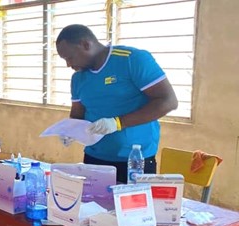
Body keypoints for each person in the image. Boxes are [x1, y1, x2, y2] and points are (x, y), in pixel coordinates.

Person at [56, 24, 178, 183]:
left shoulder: (131, 60)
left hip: (135, 161)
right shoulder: (78, 78)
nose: (68, 64)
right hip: (95, 158)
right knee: (94, 207)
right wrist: (70, 129)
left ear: (86, 45)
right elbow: (78, 113)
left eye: (70, 57)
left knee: (134, 208)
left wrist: (118, 123)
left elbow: (168, 101)